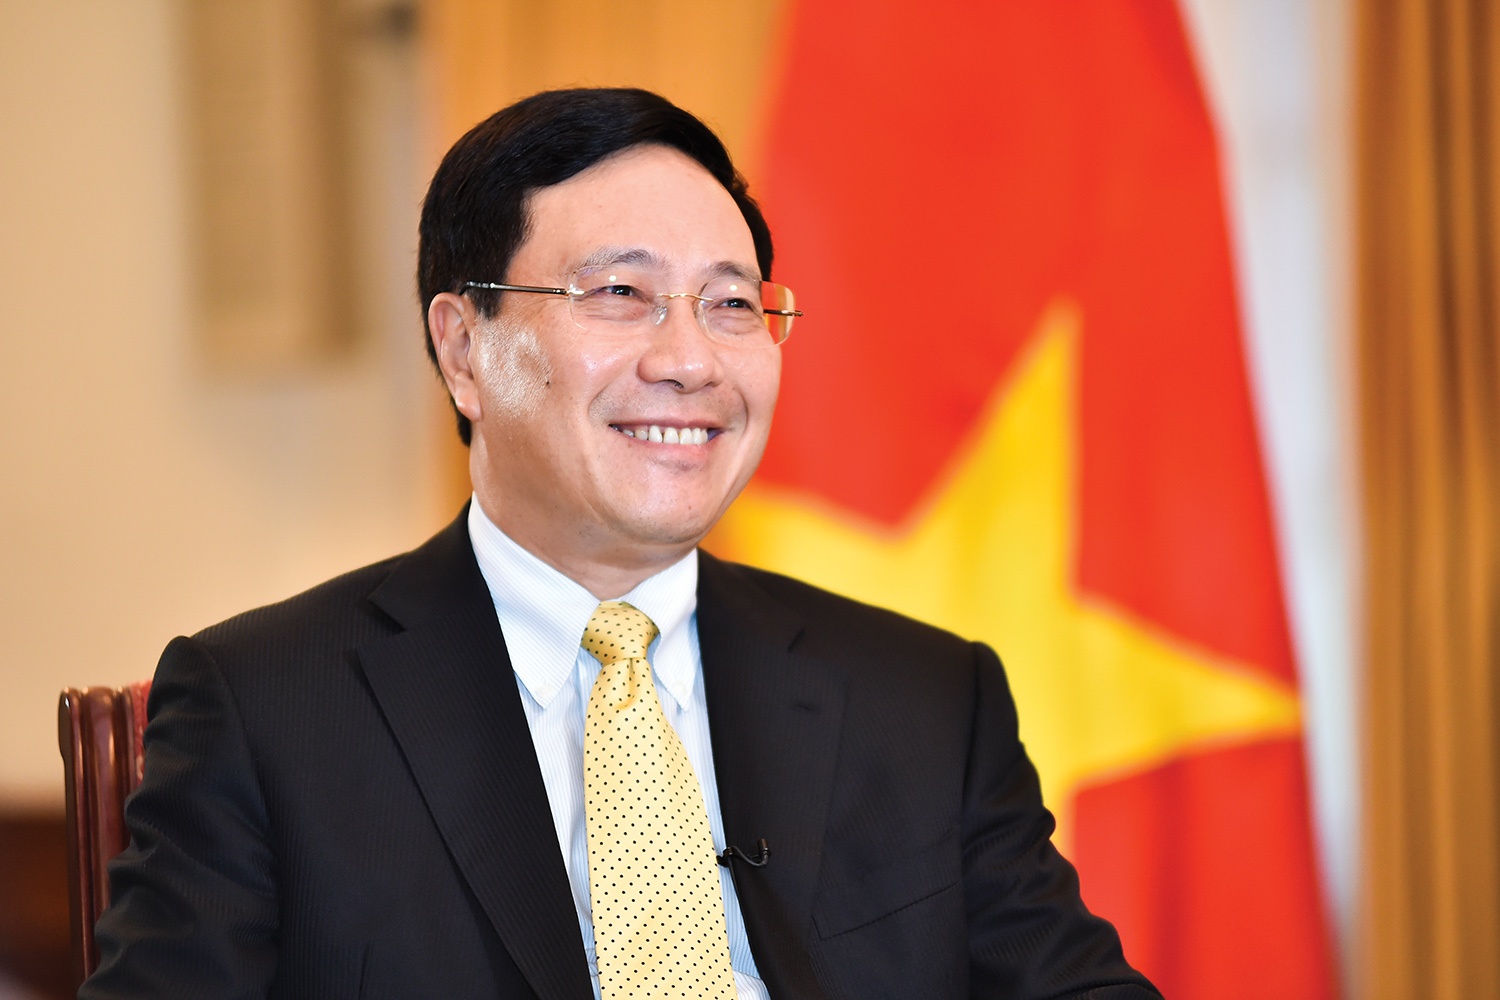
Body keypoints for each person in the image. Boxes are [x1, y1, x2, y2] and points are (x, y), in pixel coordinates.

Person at [83, 88, 1159, 1000]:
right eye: (620, 294)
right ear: (463, 350)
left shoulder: (924, 701)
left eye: (732, 304)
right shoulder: (269, 707)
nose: (691, 359)